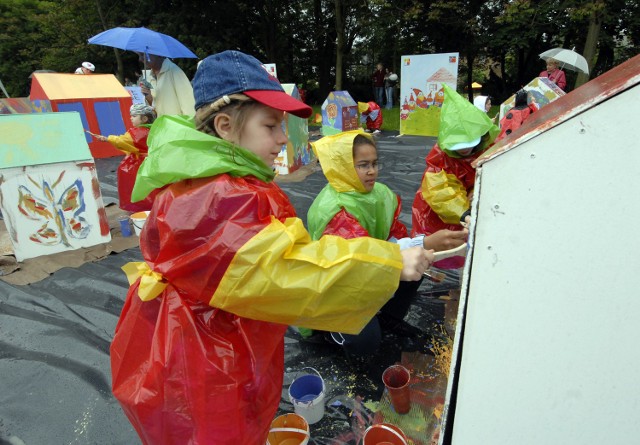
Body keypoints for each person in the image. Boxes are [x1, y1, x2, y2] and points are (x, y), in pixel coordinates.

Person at [109, 50, 433, 445]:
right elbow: (280, 269)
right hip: (204, 357)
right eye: (271, 125)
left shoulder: (213, 180)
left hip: (215, 339)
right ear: (226, 126)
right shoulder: (214, 196)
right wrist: (387, 261)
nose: (283, 138)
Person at [304, 131, 467, 361]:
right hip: (341, 286)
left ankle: (384, 316)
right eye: (362, 165)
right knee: (366, 343)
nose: (372, 171)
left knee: (417, 265)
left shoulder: (380, 195)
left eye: (374, 163)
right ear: (342, 168)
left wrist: (423, 245)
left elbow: (390, 240)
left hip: (370, 273)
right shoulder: (335, 210)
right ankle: (331, 332)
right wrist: (424, 243)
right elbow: (358, 263)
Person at [412, 84, 499, 269]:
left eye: (469, 142)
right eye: (458, 146)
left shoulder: (489, 149)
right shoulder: (440, 160)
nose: (464, 149)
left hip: (472, 203)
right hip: (449, 212)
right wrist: (464, 212)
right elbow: (440, 189)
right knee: (448, 246)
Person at [90, 104, 160, 212]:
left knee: (138, 187)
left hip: (140, 164)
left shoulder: (139, 132)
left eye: (134, 115)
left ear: (144, 118)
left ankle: (143, 208)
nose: (131, 118)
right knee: (155, 188)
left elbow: (123, 142)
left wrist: (108, 139)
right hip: (154, 163)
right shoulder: (155, 130)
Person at [137, 52, 196, 117]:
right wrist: (149, 99)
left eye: (143, 55)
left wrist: (190, 125)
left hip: (178, 125)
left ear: (156, 53)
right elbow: (156, 110)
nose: (140, 59)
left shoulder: (174, 71)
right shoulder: (150, 77)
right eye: (139, 55)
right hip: (163, 125)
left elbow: (189, 105)